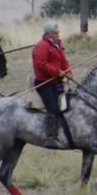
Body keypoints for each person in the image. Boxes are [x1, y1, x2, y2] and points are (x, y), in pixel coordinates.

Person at [32, 21, 71, 149]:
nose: (57, 35)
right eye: (55, 33)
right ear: (48, 34)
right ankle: (50, 137)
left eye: (58, 32)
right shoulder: (41, 46)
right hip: (44, 83)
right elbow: (41, 65)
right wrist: (57, 72)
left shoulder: (58, 44)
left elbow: (63, 60)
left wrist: (68, 70)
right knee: (53, 108)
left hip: (56, 81)